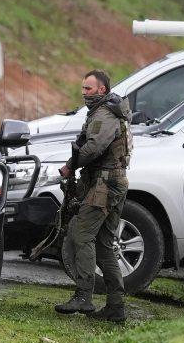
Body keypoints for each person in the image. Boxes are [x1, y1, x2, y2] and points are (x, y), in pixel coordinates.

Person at [54, 69, 133, 323]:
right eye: (83, 88)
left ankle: (84, 296)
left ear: (101, 89)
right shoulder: (106, 112)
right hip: (110, 181)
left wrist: (70, 165)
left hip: (105, 183)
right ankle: (115, 306)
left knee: (81, 234)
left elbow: (94, 147)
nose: (83, 93)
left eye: (88, 88)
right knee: (103, 245)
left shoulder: (104, 113)